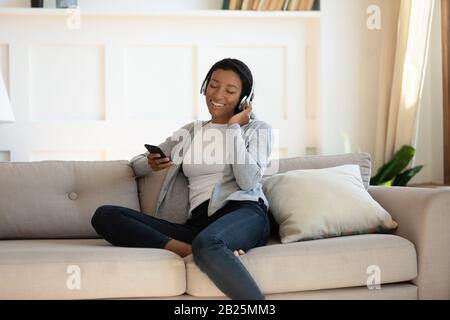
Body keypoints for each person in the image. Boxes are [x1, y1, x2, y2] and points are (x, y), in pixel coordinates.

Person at [91, 58, 274, 300]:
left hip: (244, 212)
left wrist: (233, 128)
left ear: (244, 99)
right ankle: (197, 252)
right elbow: (135, 166)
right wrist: (150, 163)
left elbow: (248, 181)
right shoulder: (191, 132)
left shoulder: (257, 129)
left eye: (230, 91)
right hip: (200, 226)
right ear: (205, 86)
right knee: (105, 215)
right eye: (213, 85)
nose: (218, 94)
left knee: (208, 242)